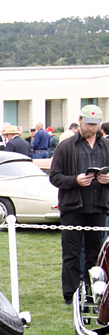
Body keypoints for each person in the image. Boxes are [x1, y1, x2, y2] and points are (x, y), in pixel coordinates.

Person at [49, 105, 109, 303]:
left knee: (95, 256)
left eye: (95, 124)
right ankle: (71, 295)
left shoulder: (106, 146)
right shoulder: (66, 146)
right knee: (71, 255)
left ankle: (93, 293)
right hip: (72, 208)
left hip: (98, 207)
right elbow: (55, 177)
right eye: (88, 124)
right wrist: (75, 180)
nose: (92, 128)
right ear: (80, 121)